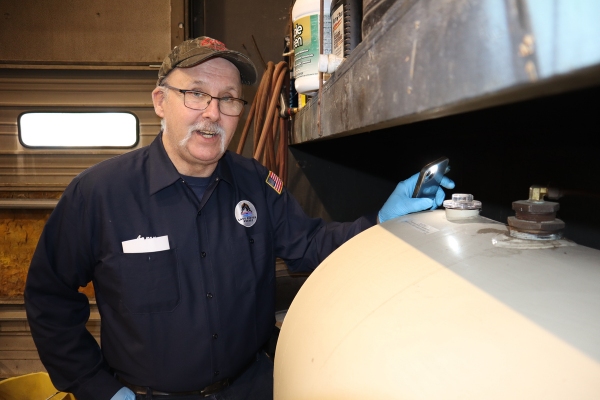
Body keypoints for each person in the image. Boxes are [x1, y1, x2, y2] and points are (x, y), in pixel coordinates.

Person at [24, 37, 454, 400]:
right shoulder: (99, 194)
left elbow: (311, 246)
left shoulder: (257, 185)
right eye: (195, 93)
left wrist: (382, 220)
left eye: (228, 99)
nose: (212, 113)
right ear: (160, 101)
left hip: (251, 388)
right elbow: (49, 297)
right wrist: (97, 388)